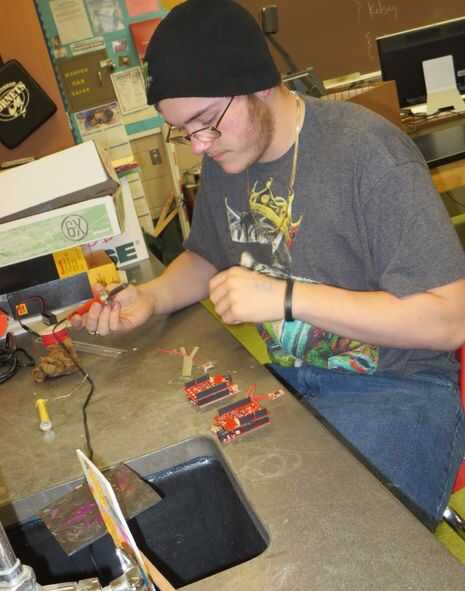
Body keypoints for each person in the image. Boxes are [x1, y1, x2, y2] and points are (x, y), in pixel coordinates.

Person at [73, 0, 465, 528]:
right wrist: (151, 297)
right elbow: (207, 255)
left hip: (398, 392)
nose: (199, 146)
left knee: (332, 539)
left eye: (205, 123)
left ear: (258, 84)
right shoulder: (228, 155)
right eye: (183, 132)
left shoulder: (368, 154)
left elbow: (448, 319)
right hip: (290, 385)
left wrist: (286, 296)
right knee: (204, 506)